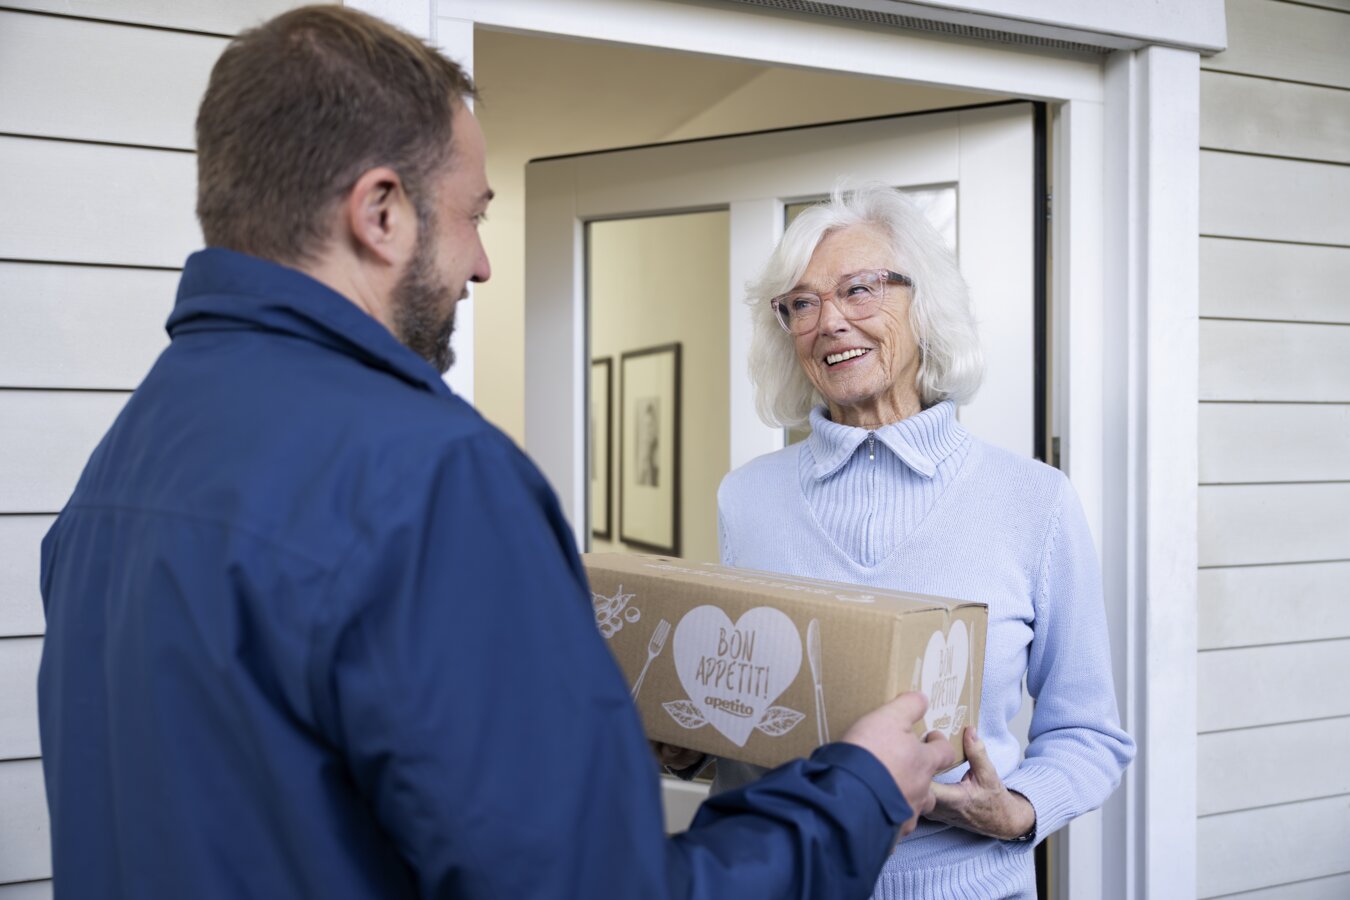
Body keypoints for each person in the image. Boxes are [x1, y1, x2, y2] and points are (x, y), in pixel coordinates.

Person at [35, 8, 956, 900]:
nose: (481, 263)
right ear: (382, 213)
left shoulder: (126, 461)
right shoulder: (428, 475)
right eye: (472, 214)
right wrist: (858, 794)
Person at [668, 184, 1135, 898]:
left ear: (927, 306)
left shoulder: (1034, 501)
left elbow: (1091, 735)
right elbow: (751, 711)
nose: (830, 322)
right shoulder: (747, 497)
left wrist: (1016, 810)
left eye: (859, 290)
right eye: (802, 303)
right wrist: (690, 747)